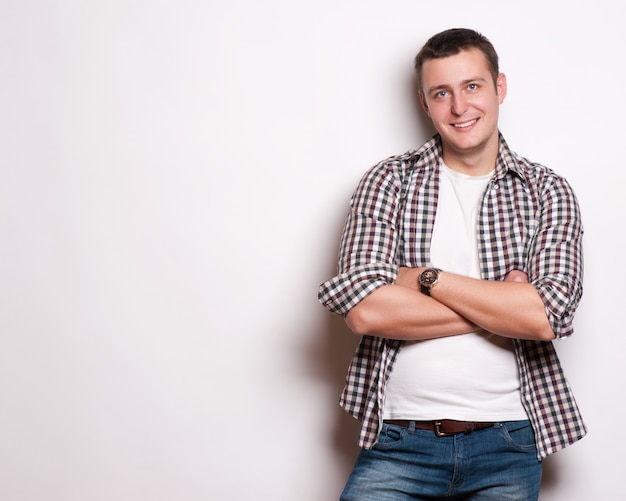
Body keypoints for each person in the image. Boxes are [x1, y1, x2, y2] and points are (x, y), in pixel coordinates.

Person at [318, 28, 585, 500]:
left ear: (499, 87)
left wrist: (425, 280)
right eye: (441, 93)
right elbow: (365, 312)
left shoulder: (548, 191)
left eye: (472, 87)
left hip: (508, 442)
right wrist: (503, 306)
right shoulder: (388, 182)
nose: (459, 108)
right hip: (398, 442)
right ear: (425, 102)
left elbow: (548, 315)